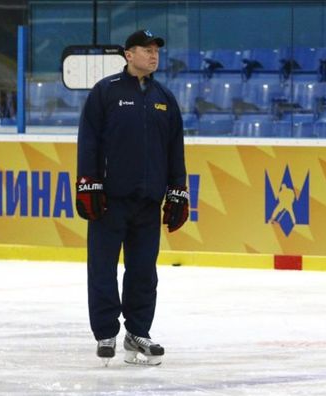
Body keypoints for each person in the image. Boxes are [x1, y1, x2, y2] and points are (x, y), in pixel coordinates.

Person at [75, 29, 188, 366]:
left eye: (156, 50)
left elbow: (175, 150)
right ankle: (106, 332)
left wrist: (177, 190)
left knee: (143, 271)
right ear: (128, 54)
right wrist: (88, 183)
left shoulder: (165, 98)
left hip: (148, 203)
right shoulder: (105, 92)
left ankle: (138, 332)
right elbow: (89, 142)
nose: (153, 55)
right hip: (109, 201)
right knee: (103, 269)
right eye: (146, 49)